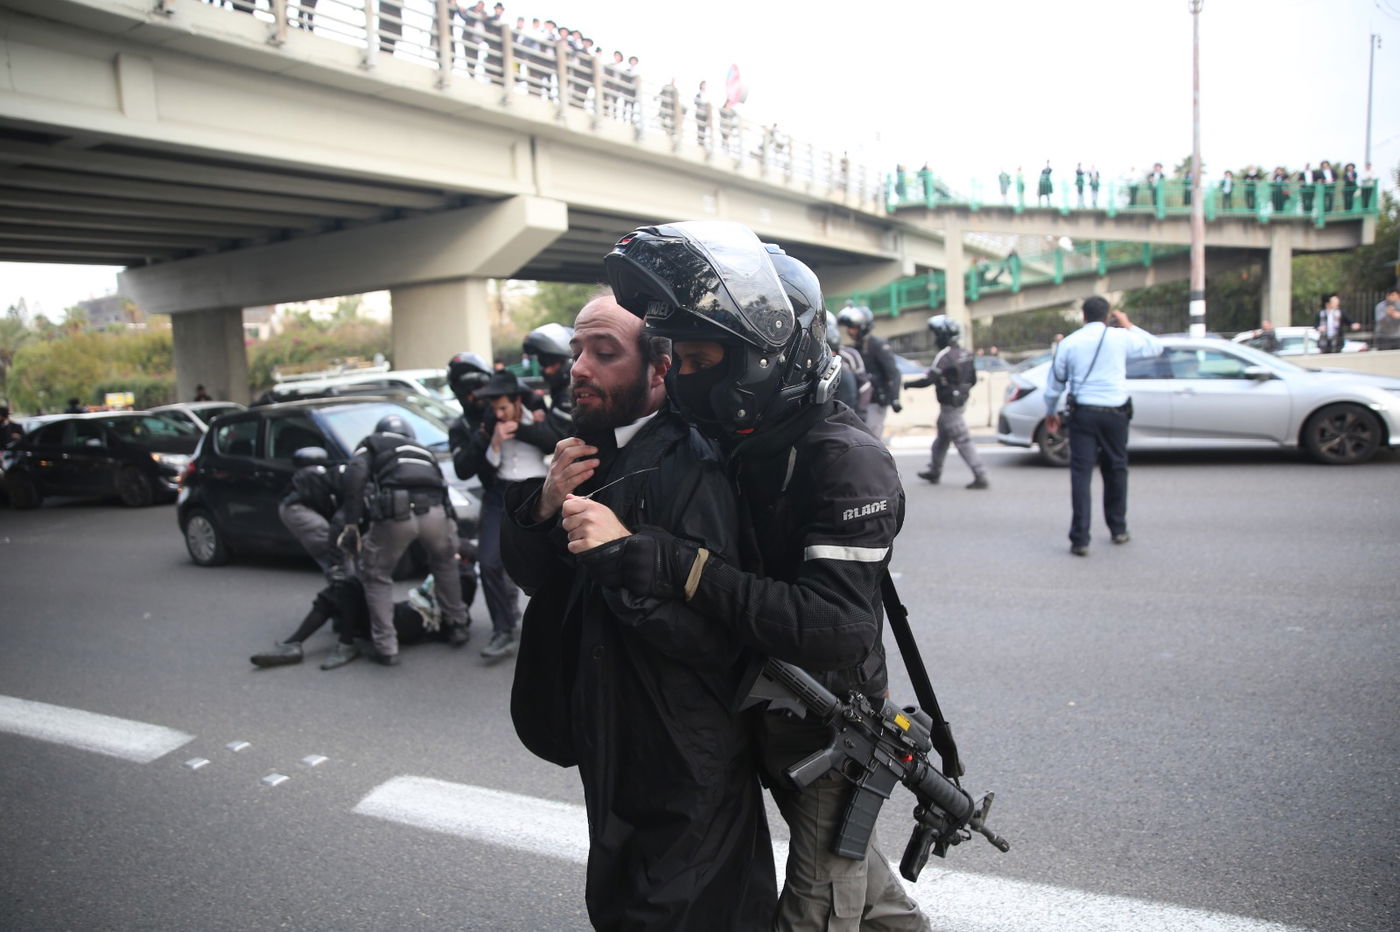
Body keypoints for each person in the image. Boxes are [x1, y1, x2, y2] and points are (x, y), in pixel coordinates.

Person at [602, 222, 930, 930]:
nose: (686, 378)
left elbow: (835, 629)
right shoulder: (742, 438)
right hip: (763, 703)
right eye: (678, 360)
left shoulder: (846, 461)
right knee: (864, 893)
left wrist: (684, 569)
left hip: (827, 721)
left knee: (816, 910)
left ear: (765, 354)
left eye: (701, 357)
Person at [501, 289, 776, 929]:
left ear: (660, 369)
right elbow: (540, 583)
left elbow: (718, 635)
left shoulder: (693, 465)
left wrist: (620, 559)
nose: (579, 369)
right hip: (614, 738)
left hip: (681, 756)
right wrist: (543, 505)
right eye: (576, 352)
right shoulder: (587, 454)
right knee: (622, 904)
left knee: (684, 912)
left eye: (604, 352)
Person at [337, 415, 466, 665]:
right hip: (436, 514)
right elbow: (443, 487)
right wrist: (452, 527)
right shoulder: (423, 450)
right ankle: (458, 624)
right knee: (445, 564)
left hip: (395, 512)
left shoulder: (372, 442)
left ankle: (386, 646)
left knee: (375, 574)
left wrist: (351, 522)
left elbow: (355, 473)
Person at [1043, 296, 1162, 556]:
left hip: (1083, 414)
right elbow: (1155, 347)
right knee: (1116, 469)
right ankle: (1118, 528)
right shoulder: (1121, 338)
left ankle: (1080, 539)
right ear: (1107, 316)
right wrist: (1128, 325)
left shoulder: (1070, 343)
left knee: (1081, 474)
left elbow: (1055, 384)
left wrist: (1051, 411)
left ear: (1083, 316)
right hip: (1116, 414)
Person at [458, 369, 554, 660]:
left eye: (503, 407)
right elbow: (480, 467)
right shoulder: (489, 425)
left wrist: (522, 426)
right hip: (500, 494)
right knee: (487, 562)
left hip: (537, 491)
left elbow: (554, 442)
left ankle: (550, 628)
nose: (498, 414)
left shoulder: (538, 415)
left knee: (547, 564)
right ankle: (503, 628)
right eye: (493, 408)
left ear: (516, 401)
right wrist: (495, 442)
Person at [251, 564, 477, 670]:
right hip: (397, 614)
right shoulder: (432, 591)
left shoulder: (461, 587)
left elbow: (461, 599)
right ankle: (303, 643)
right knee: (342, 589)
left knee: (348, 587)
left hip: (401, 623)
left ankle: (313, 643)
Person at [905, 315, 989, 489]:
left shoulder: (944, 356)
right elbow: (973, 379)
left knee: (962, 439)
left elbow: (929, 379)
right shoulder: (966, 353)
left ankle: (980, 475)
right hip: (959, 402)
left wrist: (908, 384)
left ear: (943, 335)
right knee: (942, 440)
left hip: (950, 405)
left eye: (937, 334)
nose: (935, 338)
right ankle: (934, 471)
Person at [836, 304, 901, 439]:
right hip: (860, 402)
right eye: (849, 328)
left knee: (871, 438)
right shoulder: (854, 349)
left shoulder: (878, 345)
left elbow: (893, 373)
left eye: (853, 328)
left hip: (876, 401)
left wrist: (895, 397)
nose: (850, 332)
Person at [521, 322, 575, 416]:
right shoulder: (560, 391)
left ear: (567, 362)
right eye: (543, 363)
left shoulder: (570, 396)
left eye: (551, 363)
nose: (547, 370)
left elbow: (557, 429)